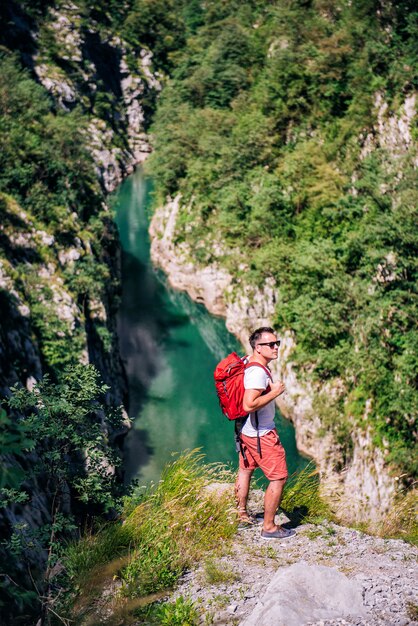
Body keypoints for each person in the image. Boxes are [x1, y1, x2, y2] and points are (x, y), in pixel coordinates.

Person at [235, 326, 295, 540]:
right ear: (258, 348)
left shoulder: (247, 362)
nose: (276, 347)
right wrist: (275, 393)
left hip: (245, 429)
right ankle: (269, 527)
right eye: (271, 344)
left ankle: (241, 514)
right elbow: (249, 404)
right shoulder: (258, 373)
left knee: (245, 469)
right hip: (261, 434)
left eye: (277, 343)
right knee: (279, 477)